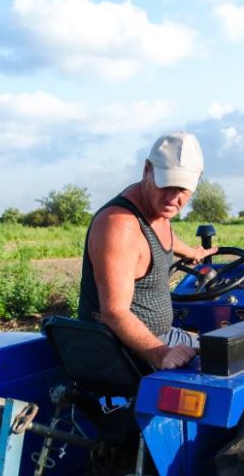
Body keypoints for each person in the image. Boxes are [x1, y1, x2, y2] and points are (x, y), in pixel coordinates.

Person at [78, 132, 218, 370]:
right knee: (232, 362)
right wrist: (161, 354)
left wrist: (192, 253)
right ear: (146, 170)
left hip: (163, 336)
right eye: (167, 185)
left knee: (232, 348)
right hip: (126, 353)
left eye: (183, 189)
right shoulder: (119, 225)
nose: (173, 198)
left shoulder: (155, 208)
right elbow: (113, 312)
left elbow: (164, 237)